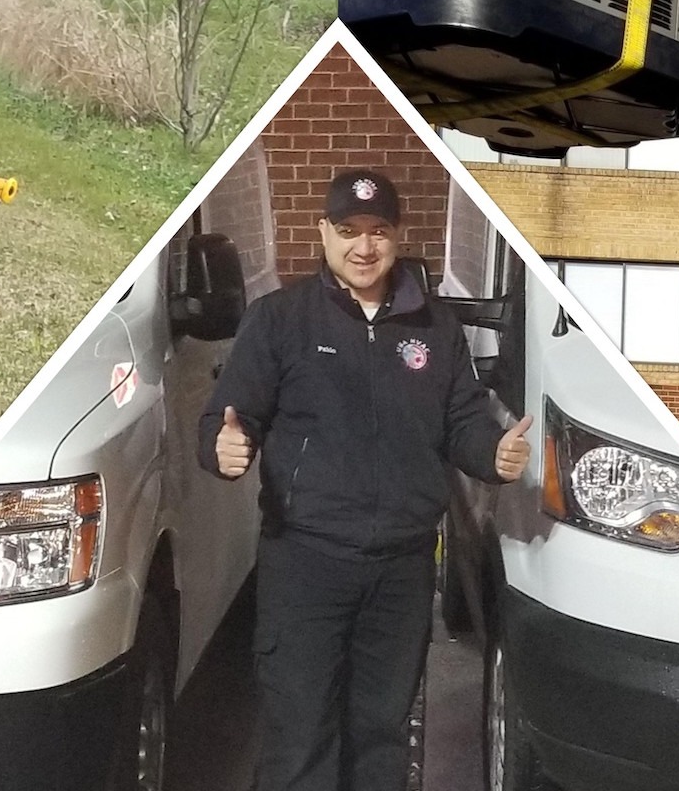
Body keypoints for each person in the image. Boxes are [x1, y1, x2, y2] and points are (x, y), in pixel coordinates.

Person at [199, 169, 530, 791]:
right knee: (300, 738)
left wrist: (492, 454)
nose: (364, 246)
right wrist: (222, 446)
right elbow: (227, 415)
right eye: (348, 230)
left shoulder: (436, 329)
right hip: (305, 564)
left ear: (398, 236)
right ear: (323, 232)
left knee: (381, 737)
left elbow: (462, 420)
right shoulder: (280, 320)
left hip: (400, 571)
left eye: (378, 231)